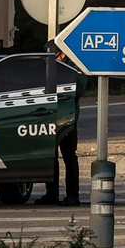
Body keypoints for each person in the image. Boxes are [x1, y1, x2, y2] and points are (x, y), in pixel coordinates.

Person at [37, 48, 84, 206]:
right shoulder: (48, 68)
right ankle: (51, 194)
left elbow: (79, 90)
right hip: (49, 118)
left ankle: (72, 196)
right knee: (51, 158)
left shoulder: (73, 68)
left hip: (67, 120)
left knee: (69, 158)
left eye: (54, 56)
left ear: (62, 55)